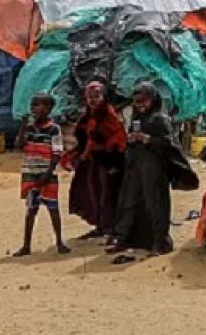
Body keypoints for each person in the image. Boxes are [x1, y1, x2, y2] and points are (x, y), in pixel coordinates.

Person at [110, 82, 198, 257]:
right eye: (137, 102)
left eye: (144, 101)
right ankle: (124, 239)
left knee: (155, 205)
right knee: (129, 203)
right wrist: (132, 139)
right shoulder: (136, 119)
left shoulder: (160, 119)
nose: (140, 105)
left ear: (153, 99)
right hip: (135, 169)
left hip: (154, 170)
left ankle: (159, 242)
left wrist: (148, 139)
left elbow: (170, 144)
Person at [66, 81, 126, 243]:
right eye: (89, 97)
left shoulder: (108, 116)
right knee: (93, 194)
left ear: (103, 97)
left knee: (108, 195)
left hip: (107, 162)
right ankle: (100, 226)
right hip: (92, 163)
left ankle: (111, 228)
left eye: (97, 96)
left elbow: (117, 140)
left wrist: (114, 163)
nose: (93, 100)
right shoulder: (88, 116)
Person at [14, 94, 70, 256]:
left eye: (37, 105)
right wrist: (23, 126)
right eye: (32, 105)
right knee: (31, 210)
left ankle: (59, 241)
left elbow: (57, 153)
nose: (33, 109)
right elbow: (19, 145)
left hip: (47, 175)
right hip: (31, 174)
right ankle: (26, 245)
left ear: (47, 108)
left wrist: (48, 172)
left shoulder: (54, 129)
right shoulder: (29, 128)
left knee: (53, 208)